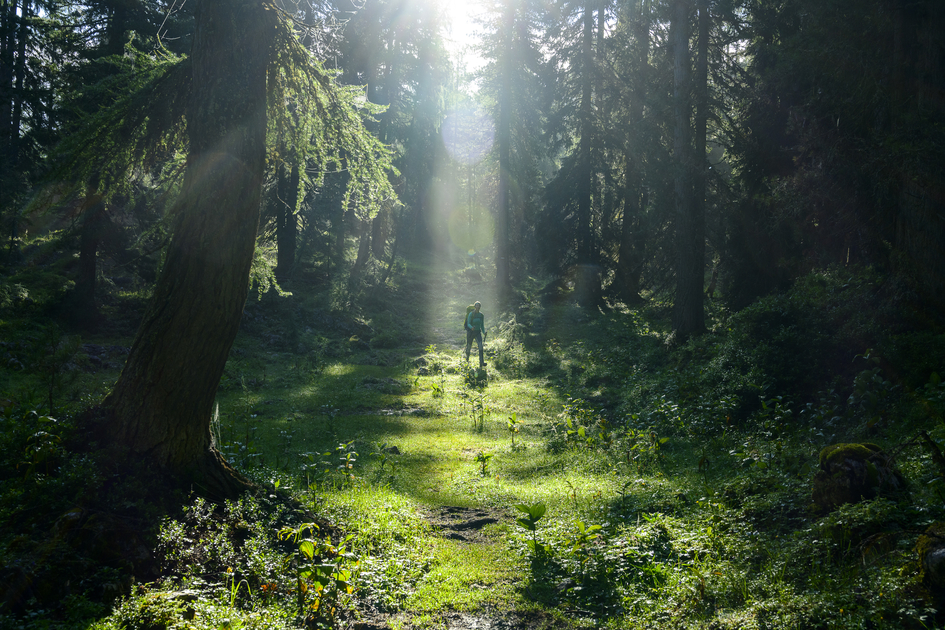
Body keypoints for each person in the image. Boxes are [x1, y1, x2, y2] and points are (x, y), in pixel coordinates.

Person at [464, 301, 486, 368]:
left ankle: (481, 362)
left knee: (480, 346)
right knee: (469, 347)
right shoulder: (471, 314)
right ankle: (466, 361)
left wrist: (484, 332)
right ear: (475, 307)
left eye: (479, 306)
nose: (478, 307)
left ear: (480, 307)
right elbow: (468, 323)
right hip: (471, 332)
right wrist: (471, 327)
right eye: (476, 306)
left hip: (478, 332)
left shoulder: (481, 315)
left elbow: (482, 325)